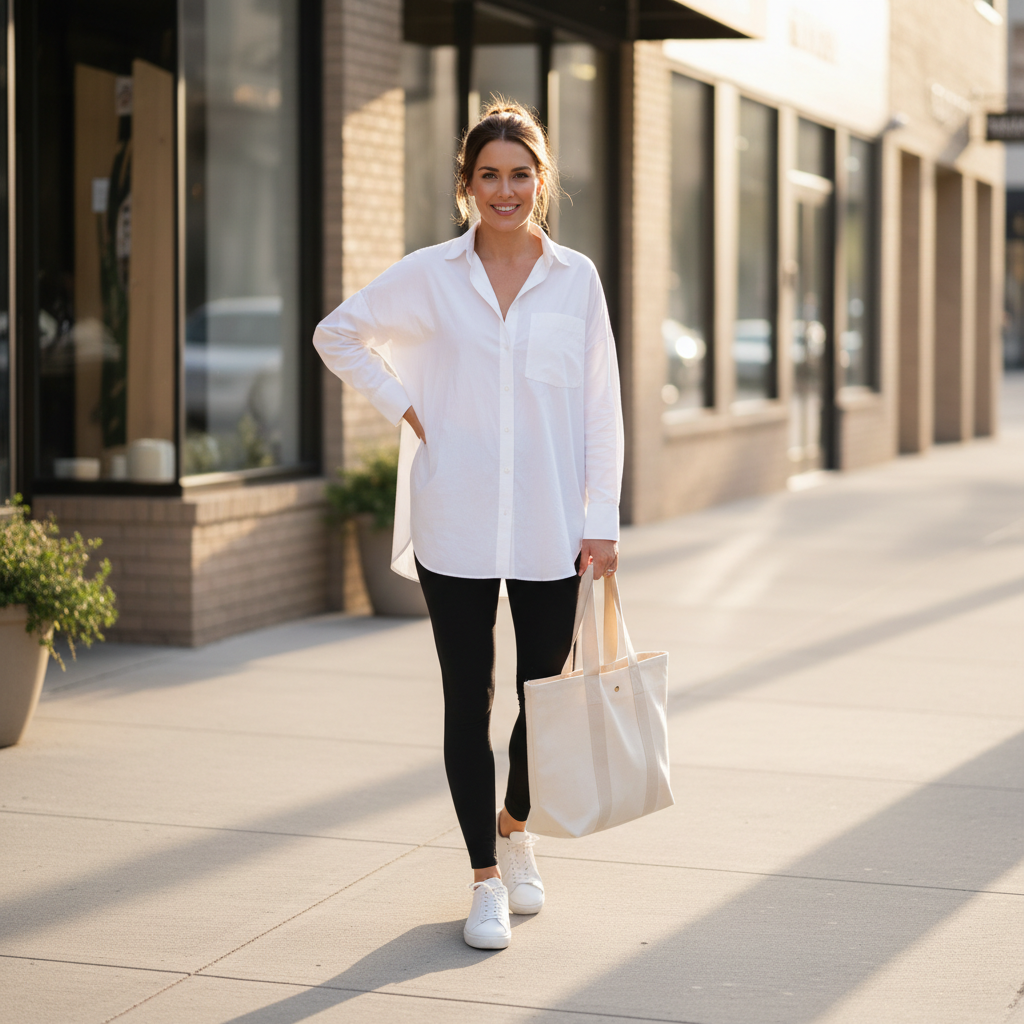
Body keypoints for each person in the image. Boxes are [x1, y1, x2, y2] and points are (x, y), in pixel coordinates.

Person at [313, 99, 623, 950]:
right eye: (488, 175)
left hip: (553, 530)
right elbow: (337, 334)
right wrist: (403, 406)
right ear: (466, 185)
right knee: (466, 700)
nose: (505, 189)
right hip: (455, 520)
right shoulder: (429, 276)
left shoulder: (578, 280)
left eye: (520, 174)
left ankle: (514, 824)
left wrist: (602, 520)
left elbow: (603, 409)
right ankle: (484, 878)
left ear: (541, 180)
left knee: (544, 701)